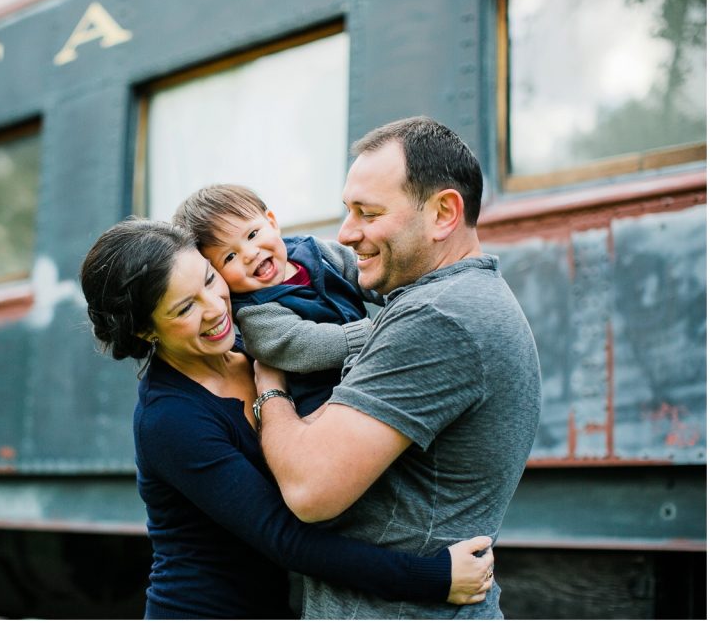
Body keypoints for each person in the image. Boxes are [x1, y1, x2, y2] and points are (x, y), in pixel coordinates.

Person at [80, 217, 495, 619]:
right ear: (145, 331)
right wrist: (435, 577)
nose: (214, 308)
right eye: (185, 308)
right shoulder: (169, 419)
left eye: (209, 279)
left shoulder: (260, 342)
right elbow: (286, 540)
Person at [253, 116, 542, 619]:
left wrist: (270, 384)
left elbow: (309, 488)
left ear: (443, 213)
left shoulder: (439, 316)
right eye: (348, 211)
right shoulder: (461, 299)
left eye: (368, 212)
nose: (346, 233)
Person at [173, 184, 378, 415]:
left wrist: (401, 294)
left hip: (371, 365)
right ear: (218, 275)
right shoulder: (254, 313)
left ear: (271, 222)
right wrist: (378, 331)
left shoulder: (314, 250)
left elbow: (368, 277)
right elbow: (306, 344)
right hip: (328, 403)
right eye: (230, 256)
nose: (250, 254)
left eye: (252, 235)